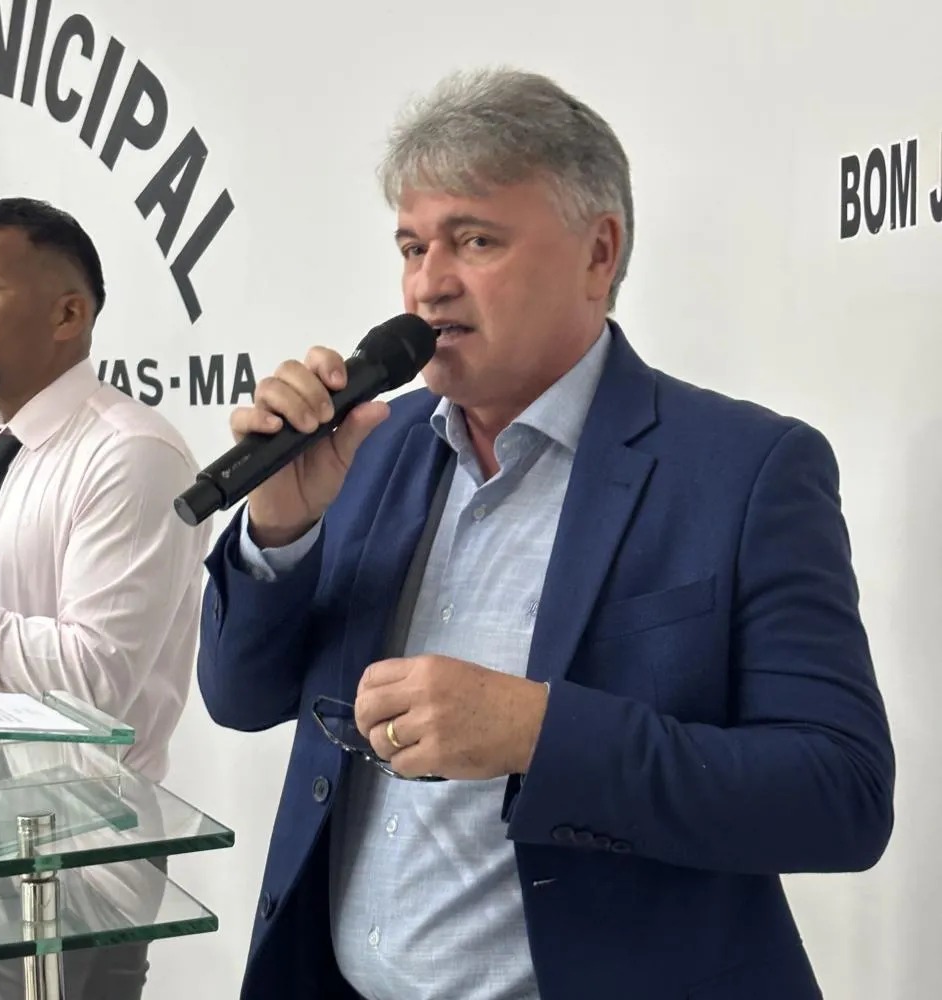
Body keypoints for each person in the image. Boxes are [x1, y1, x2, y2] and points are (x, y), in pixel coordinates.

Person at [198, 69, 895, 1000]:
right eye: (412, 247)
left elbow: (839, 796)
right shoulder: (372, 446)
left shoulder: (746, 470)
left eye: (475, 240)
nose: (428, 285)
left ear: (599, 253)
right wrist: (281, 524)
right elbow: (239, 698)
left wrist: (539, 732)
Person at [0, 197, 210, 998]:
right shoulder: (9, 450)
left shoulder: (132, 454)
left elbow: (94, 682)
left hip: (70, 864)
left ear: (68, 314)